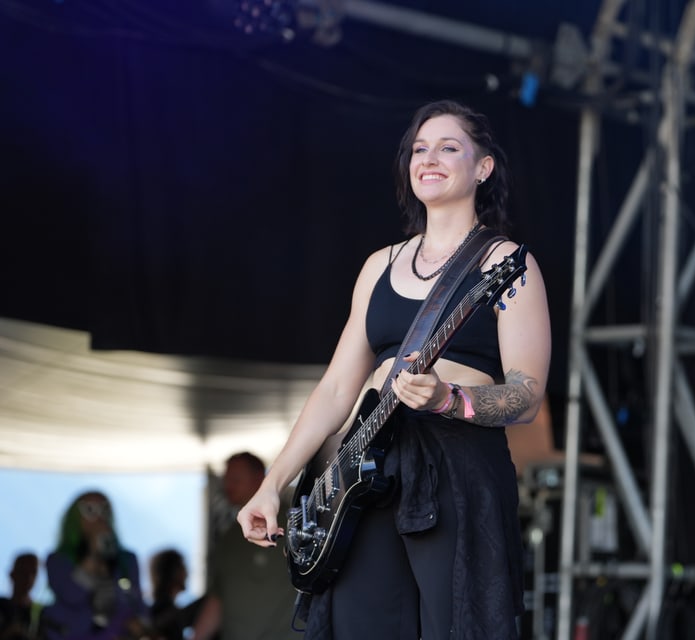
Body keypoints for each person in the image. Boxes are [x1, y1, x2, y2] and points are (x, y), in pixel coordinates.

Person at [236, 99, 552, 639]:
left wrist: (450, 399)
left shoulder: (507, 265)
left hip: (456, 466)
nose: (429, 158)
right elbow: (337, 388)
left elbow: (527, 393)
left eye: (449, 147)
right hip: (366, 472)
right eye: (419, 149)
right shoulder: (378, 266)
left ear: (483, 167)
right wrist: (273, 483)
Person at [191, 453, 299, 640]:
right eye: (226, 480)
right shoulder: (230, 535)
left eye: (236, 479)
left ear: (260, 479)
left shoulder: (292, 525)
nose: (228, 486)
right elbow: (218, 598)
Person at [40, 491, 152, 640]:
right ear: (75, 519)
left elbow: (137, 605)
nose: (99, 517)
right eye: (89, 509)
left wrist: (139, 625)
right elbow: (71, 594)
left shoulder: (127, 560)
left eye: (104, 509)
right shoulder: (57, 561)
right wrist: (93, 555)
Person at [147, 549, 203, 640]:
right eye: (183, 567)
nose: (187, 573)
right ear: (174, 571)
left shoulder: (164, 608)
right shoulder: (162, 610)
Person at [0, 552, 41, 640]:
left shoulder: (41, 614)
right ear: (12, 574)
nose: (28, 577)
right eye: (23, 571)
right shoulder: (2, 606)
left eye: (33, 572)